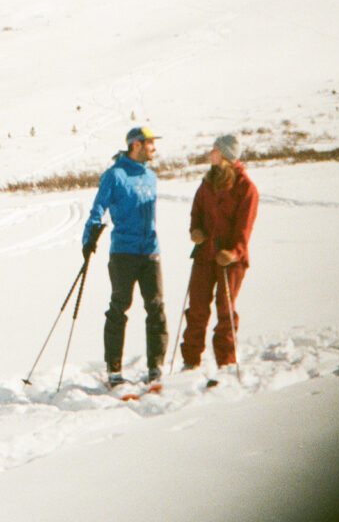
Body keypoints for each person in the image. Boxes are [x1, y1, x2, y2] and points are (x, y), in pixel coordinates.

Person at [82, 126, 168, 387]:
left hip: (150, 252)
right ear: (136, 145)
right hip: (123, 253)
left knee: (156, 308)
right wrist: (89, 239)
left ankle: (156, 366)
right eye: (150, 143)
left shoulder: (151, 176)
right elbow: (98, 208)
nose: (154, 148)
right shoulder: (114, 175)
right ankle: (114, 369)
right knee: (119, 307)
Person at [180, 134, 258, 372]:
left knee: (225, 310)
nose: (210, 154)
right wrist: (195, 231)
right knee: (197, 310)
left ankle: (226, 363)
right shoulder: (207, 182)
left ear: (225, 155)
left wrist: (233, 253)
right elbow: (197, 212)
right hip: (205, 255)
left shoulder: (246, 187)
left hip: (229, 261)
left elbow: (245, 228)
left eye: (214, 150)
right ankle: (190, 361)